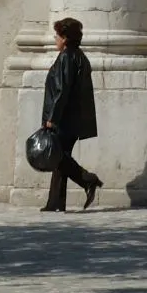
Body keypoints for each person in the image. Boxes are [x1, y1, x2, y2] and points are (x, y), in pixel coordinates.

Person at [41, 17, 100, 212]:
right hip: (73, 118)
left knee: (58, 156)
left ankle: (87, 180)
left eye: (57, 35)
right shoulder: (79, 56)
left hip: (65, 119)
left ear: (65, 38)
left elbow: (62, 90)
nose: (55, 38)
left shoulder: (67, 57)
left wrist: (52, 118)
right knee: (60, 157)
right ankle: (55, 202)